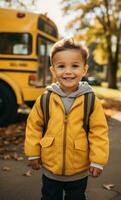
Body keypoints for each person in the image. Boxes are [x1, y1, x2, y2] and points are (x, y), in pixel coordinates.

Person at [24, 38, 109, 200]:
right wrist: (33, 153)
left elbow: (99, 131)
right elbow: (34, 127)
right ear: (53, 70)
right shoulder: (45, 99)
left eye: (75, 66)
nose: (68, 71)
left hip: (79, 168)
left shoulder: (91, 100)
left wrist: (97, 160)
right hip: (50, 168)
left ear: (84, 70)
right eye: (61, 66)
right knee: (49, 197)